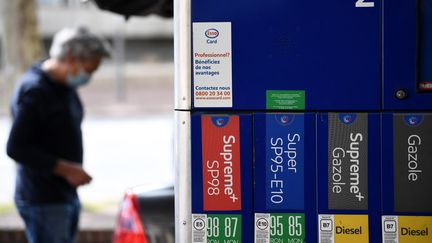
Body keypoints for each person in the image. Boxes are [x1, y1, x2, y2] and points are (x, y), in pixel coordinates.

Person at [6, 27, 110, 243]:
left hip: (64, 194)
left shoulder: (64, 87)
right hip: (43, 198)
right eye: (89, 70)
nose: (89, 76)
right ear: (71, 58)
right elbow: (16, 147)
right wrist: (66, 169)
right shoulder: (35, 91)